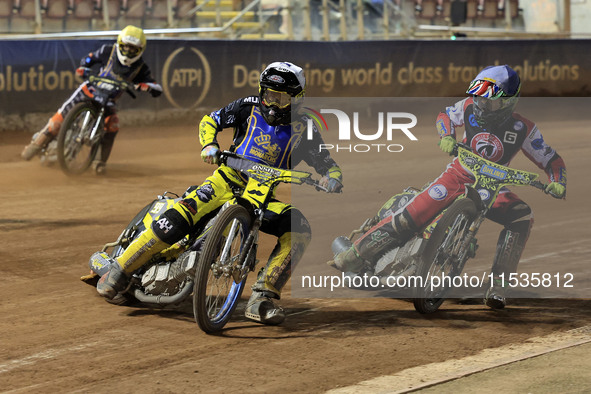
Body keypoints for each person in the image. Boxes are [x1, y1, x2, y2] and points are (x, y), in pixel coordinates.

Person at [96, 61, 343, 325]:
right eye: (269, 94)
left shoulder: (306, 128)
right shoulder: (247, 106)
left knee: (299, 227)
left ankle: (262, 297)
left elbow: (325, 162)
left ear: (296, 100)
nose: (272, 102)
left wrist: (333, 177)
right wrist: (209, 145)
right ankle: (121, 269)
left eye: (280, 98)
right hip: (224, 181)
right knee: (180, 214)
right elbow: (210, 120)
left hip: (261, 197)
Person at [332, 65, 566, 309]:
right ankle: (355, 256)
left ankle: (498, 285)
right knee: (410, 215)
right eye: (478, 98)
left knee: (522, 216)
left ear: (508, 103)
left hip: (493, 188)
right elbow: (445, 116)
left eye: (490, 102)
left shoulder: (525, 129)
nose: (481, 106)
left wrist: (558, 181)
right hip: (457, 175)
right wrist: (446, 135)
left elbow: (552, 160)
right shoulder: (467, 107)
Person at [21, 25, 162, 174]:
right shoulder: (107, 51)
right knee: (63, 114)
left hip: (109, 100)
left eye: (133, 49)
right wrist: (84, 67)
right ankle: (37, 143)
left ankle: (99, 162)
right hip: (89, 90)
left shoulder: (141, 67)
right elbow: (89, 58)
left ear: (140, 50)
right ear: (119, 44)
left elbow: (155, 86)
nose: (128, 52)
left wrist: (147, 87)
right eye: (126, 47)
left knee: (112, 125)